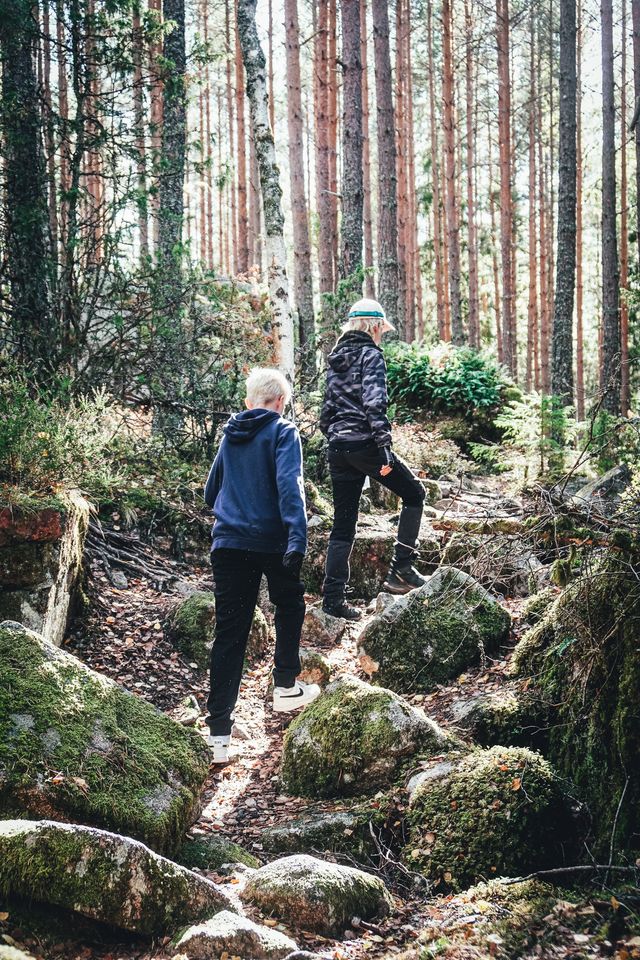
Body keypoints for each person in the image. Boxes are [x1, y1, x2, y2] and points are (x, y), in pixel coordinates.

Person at [203, 367, 320, 763]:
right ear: (282, 403)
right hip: (272, 542)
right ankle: (285, 684)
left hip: (229, 543)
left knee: (230, 635)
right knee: (289, 604)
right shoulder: (284, 432)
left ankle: (218, 735)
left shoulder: (230, 435)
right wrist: (297, 536)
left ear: (249, 402)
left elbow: (210, 491)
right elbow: (291, 486)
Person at [319, 298, 427, 620]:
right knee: (415, 494)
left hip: (338, 448)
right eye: (382, 329)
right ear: (375, 327)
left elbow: (326, 413)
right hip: (367, 447)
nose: (382, 334)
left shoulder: (336, 359)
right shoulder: (371, 355)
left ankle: (333, 600)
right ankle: (401, 570)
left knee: (343, 525)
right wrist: (384, 449)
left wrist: (336, 439)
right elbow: (374, 404)